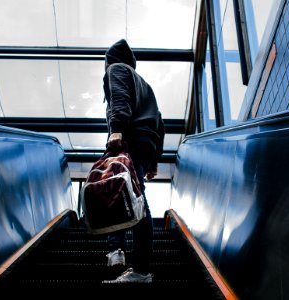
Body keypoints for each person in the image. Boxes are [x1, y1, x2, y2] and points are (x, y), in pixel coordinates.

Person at [101, 39, 165, 283]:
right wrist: (155, 160)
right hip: (145, 144)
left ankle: (140, 269)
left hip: (129, 138)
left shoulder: (116, 70)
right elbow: (161, 123)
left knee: (126, 197)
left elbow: (119, 99)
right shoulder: (146, 86)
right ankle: (128, 259)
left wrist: (116, 129)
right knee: (135, 196)